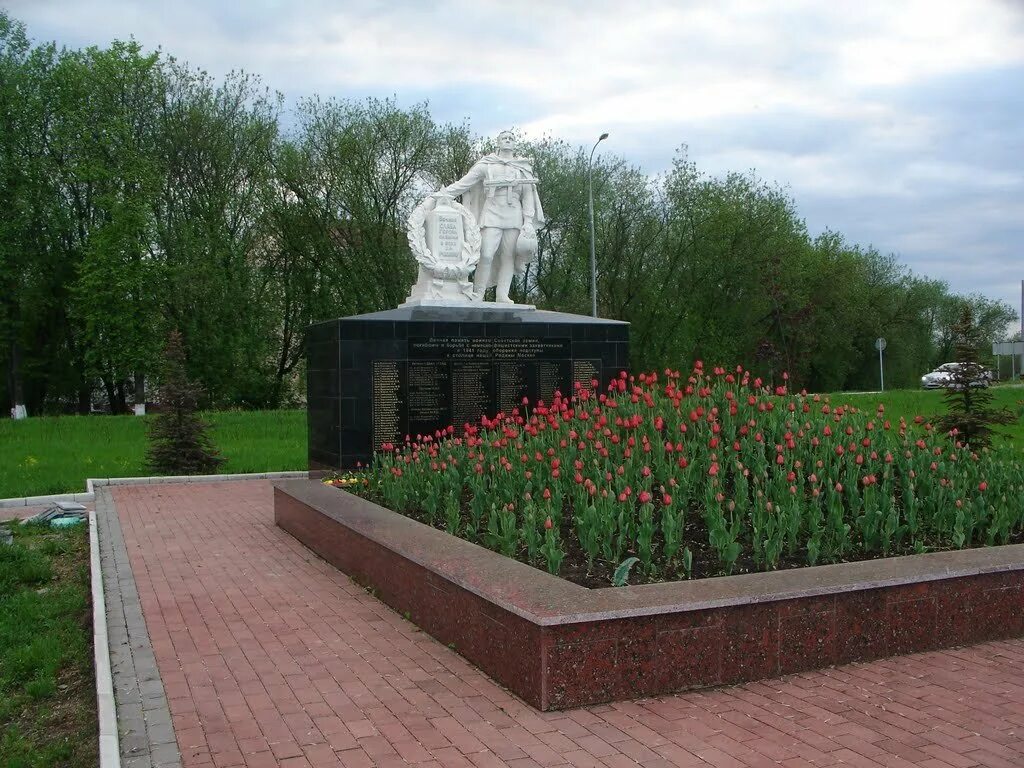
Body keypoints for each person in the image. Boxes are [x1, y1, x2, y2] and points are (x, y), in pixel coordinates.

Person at [440, 130, 544, 303]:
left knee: (508, 256)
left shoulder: (522, 167)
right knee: (486, 254)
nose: (508, 140)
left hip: (514, 215)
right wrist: (444, 194)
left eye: (511, 138)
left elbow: (527, 197)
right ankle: (478, 293)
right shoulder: (487, 164)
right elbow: (465, 183)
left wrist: (527, 222)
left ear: (515, 144)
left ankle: (502, 294)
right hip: (492, 213)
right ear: (498, 143)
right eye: (504, 138)